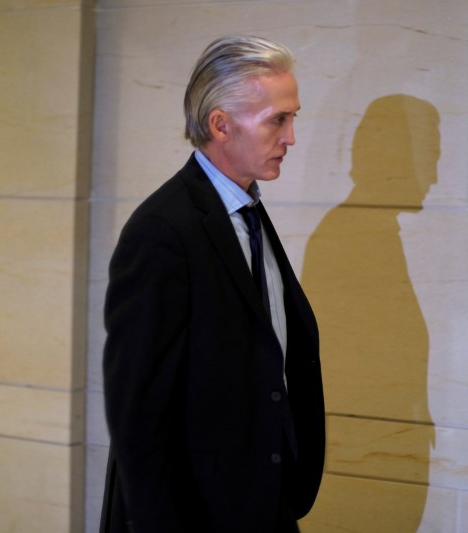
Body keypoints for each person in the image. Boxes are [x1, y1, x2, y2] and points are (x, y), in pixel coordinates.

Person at [99, 35, 325, 533]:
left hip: (262, 503)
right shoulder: (162, 232)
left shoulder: (248, 210)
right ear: (221, 125)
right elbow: (138, 415)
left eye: (292, 118)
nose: (290, 138)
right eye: (277, 120)